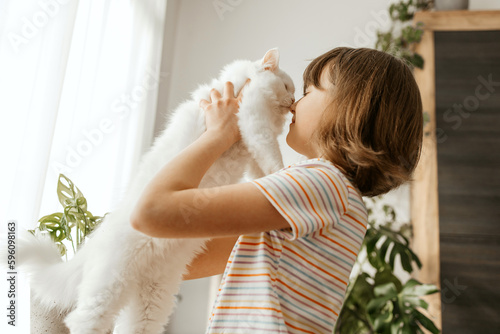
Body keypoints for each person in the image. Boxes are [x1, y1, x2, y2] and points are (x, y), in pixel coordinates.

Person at [130, 47, 423, 334]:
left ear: (351, 107)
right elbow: (187, 260)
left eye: (309, 92)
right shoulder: (333, 198)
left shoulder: (323, 183)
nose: (294, 104)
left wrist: (217, 135)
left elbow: (150, 211)